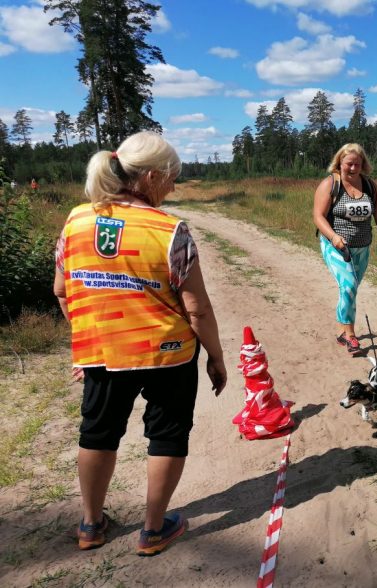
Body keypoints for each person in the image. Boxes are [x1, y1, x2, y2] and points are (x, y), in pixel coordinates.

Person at [53, 131, 227, 556]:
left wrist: (87, 337)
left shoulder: (76, 220)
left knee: (97, 432)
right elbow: (198, 309)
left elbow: (62, 290)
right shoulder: (170, 230)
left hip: (101, 352)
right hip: (167, 354)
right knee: (167, 435)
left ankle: (90, 524)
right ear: (150, 177)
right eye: (172, 178)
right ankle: (153, 530)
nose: (173, 187)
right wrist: (216, 356)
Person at [313, 143, 377, 355]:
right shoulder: (330, 184)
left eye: (357, 164)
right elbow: (318, 216)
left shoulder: (369, 186)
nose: (352, 168)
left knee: (350, 289)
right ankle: (350, 335)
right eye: (349, 164)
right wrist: (334, 237)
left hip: (362, 248)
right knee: (348, 286)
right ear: (339, 162)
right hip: (336, 247)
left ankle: (342, 329)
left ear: (363, 164)